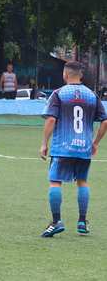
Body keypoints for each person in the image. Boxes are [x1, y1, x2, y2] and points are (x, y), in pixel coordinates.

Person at [39, 61, 107, 237]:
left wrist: (44, 143)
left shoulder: (59, 94)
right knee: (82, 182)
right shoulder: (92, 95)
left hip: (63, 147)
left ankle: (56, 222)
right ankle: (82, 222)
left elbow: (51, 119)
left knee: (55, 182)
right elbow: (105, 121)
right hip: (84, 148)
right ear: (81, 75)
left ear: (65, 74)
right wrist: (95, 142)